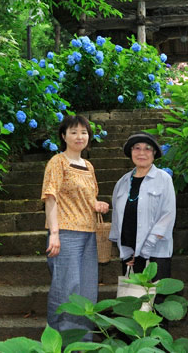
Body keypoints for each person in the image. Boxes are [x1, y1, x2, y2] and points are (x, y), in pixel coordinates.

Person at [40, 115, 109, 340]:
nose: (79, 137)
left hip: (89, 235)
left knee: (87, 294)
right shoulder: (57, 162)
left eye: (84, 132)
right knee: (66, 290)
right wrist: (54, 234)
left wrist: (97, 205)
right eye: (73, 132)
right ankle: (59, 342)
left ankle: (83, 343)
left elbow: (89, 198)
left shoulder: (88, 166)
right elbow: (50, 198)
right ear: (63, 136)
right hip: (66, 234)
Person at [109, 132, 176, 286]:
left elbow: (167, 215)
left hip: (155, 251)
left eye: (147, 148)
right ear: (131, 152)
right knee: (134, 301)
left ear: (154, 153)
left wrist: (143, 251)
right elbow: (117, 217)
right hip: (129, 252)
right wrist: (124, 250)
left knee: (157, 300)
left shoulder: (164, 179)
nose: (141, 153)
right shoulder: (122, 182)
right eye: (136, 148)